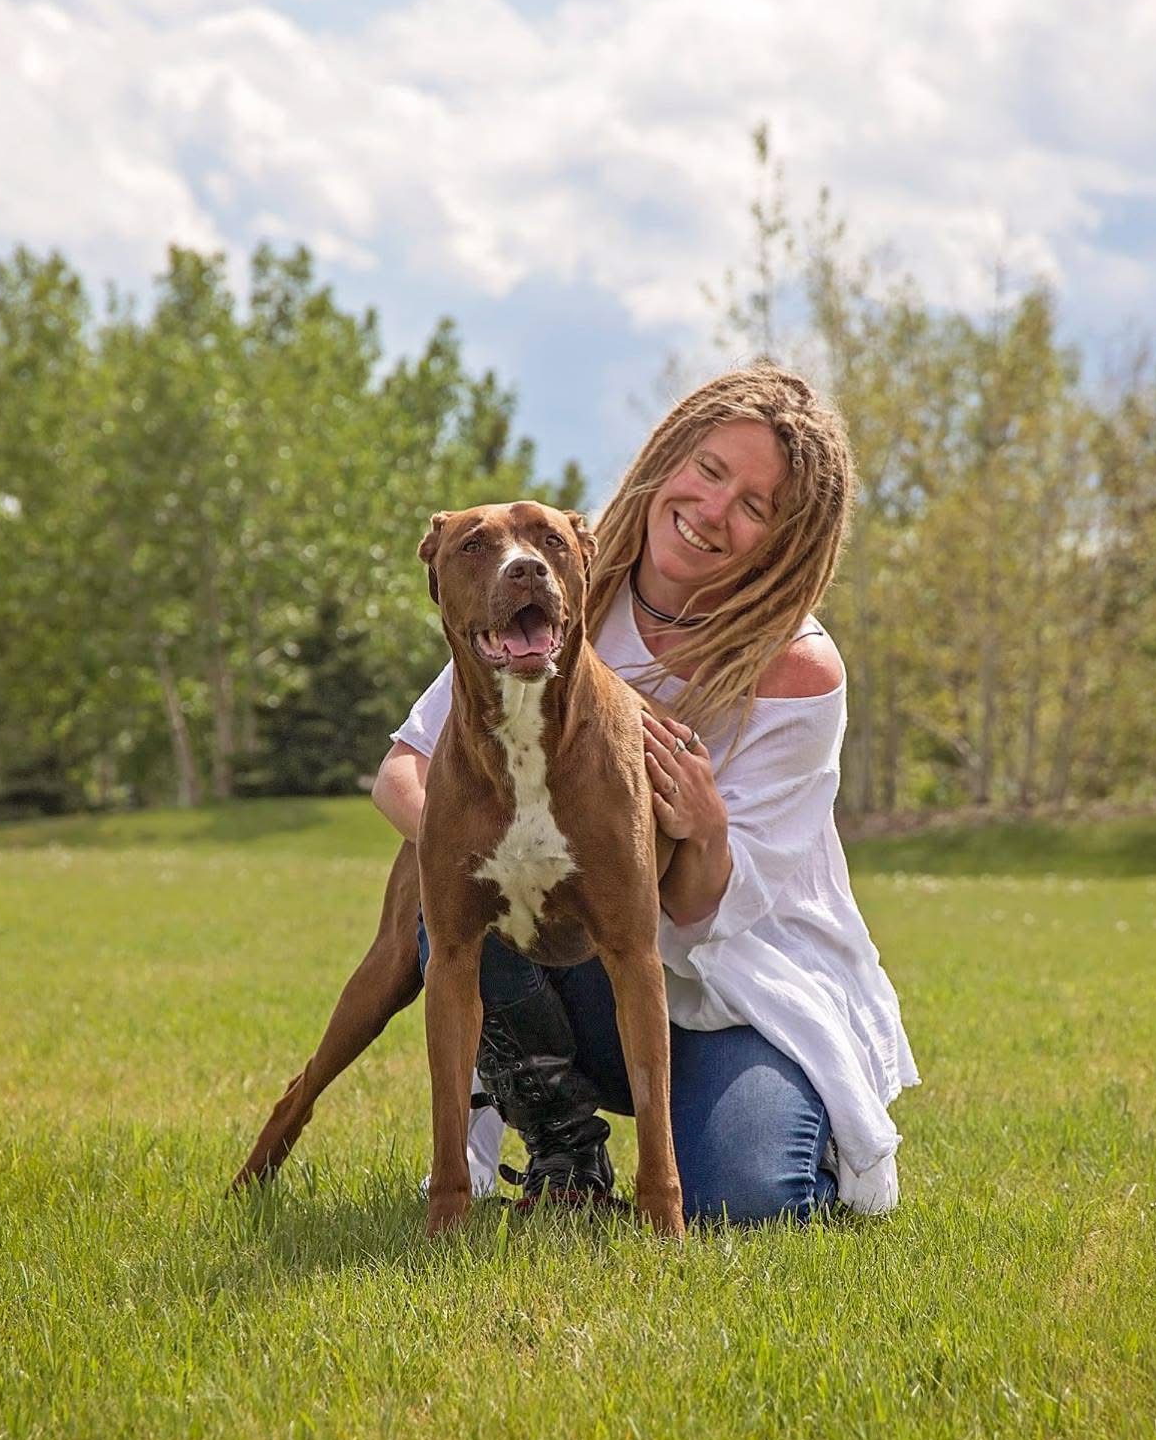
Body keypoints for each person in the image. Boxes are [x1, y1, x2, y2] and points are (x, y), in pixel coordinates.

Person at [371, 363, 918, 1222]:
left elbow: (707, 910)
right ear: (668, 460)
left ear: (784, 538)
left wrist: (704, 830)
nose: (711, 510)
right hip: (590, 972)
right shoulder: (550, 595)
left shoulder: (797, 668)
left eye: (753, 504)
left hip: (740, 984)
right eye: (708, 471)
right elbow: (404, 768)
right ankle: (565, 1153)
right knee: (452, 908)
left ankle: (801, 1126)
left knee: (745, 1198)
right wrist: (477, 852)